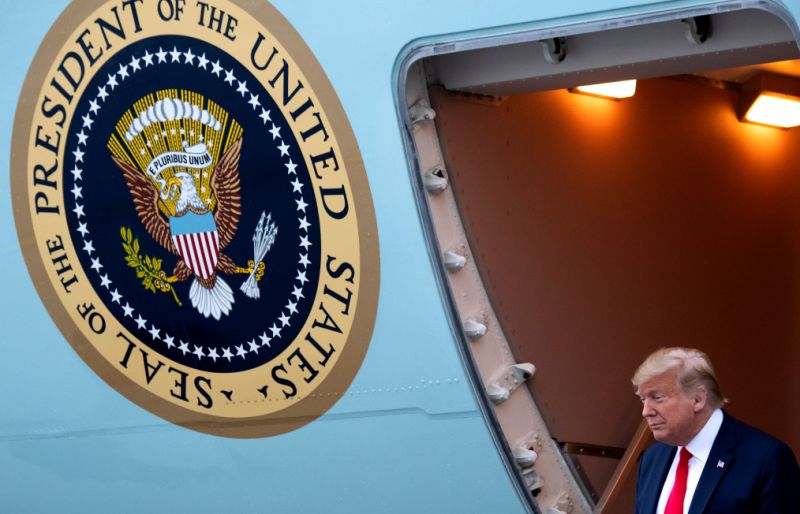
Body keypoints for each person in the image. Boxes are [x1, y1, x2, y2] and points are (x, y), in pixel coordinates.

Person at [632, 347, 799, 514]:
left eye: (657, 397)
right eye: (643, 399)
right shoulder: (651, 459)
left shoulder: (766, 458)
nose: (646, 411)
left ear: (698, 399)